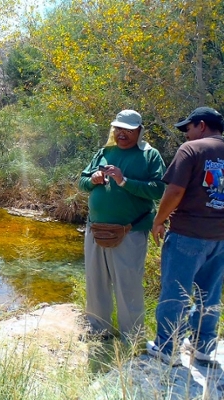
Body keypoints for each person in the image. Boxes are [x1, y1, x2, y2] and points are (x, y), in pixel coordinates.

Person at [79, 110, 166, 341]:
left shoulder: (150, 156)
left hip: (130, 231)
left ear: (139, 131)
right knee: (96, 282)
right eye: (118, 129)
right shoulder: (103, 153)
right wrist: (93, 179)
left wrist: (123, 181)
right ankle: (98, 330)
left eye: (128, 130)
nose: (122, 134)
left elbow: (159, 189)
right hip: (95, 229)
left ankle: (132, 337)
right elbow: (82, 182)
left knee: (128, 285)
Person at [147, 107, 224, 366]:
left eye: (188, 128)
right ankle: (204, 347)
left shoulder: (192, 150)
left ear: (201, 125)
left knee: (175, 292)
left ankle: (166, 348)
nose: (186, 135)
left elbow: (175, 191)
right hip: (221, 238)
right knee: (209, 294)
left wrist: (158, 220)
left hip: (188, 234)